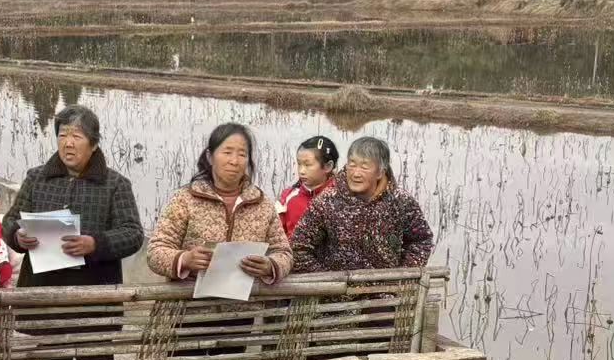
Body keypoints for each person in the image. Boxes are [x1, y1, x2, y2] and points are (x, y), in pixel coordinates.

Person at [2, 104, 143, 287]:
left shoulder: (115, 184)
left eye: (76, 136)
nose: (68, 143)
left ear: (93, 144)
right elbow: (10, 220)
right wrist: (17, 236)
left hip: (94, 292)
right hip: (38, 291)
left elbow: (133, 234)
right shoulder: (36, 178)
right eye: (62, 136)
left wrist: (95, 244)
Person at [148, 122, 291, 285]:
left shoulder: (262, 203)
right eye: (227, 152)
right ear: (210, 156)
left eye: (242, 154)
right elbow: (155, 251)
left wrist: (270, 266)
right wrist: (185, 259)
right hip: (191, 305)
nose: (234, 161)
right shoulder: (185, 199)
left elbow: (283, 252)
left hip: (249, 306)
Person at [291, 136, 435, 274]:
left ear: (380, 172)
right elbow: (299, 247)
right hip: (336, 295)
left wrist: (402, 276)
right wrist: (327, 282)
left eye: (364, 167)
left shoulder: (401, 201)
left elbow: (422, 240)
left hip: (385, 294)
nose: (355, 174)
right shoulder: (326, 201)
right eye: (352, 165)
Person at [277, 134, 340, 236]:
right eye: (299, 164)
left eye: (308, 165)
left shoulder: (342, 199)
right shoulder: (288, 197)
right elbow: (275, 235)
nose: (301, 171)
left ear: (328, 166)